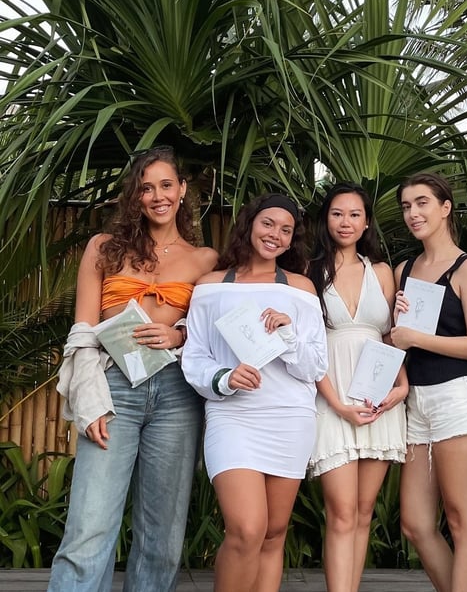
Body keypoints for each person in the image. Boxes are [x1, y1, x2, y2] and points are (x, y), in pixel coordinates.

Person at [49, 146, 219, 592]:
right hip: (113, 386)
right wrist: (90, 402)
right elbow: (83, 332)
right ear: (135, 196)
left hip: (176, 392)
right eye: (147, 188)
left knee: (163, 535)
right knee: (89, 526)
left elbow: (211, 333)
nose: (158, 196)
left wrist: (178, 335)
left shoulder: (205, 259)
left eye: (166, 185)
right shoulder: (103, 248)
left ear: (182, 190)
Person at [181, 193, 328, 592]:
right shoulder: (210, 286)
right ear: (249, 224)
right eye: (268, 224)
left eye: (286, 230)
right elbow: (194, 355)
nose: (275, 234)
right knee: (247, 528)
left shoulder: (300, 289)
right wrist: (224, 377)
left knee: (273, 532)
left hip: (290, 417)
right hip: (233, 417)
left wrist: (288, 335)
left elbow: (316, 366)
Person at [390, 172, 467, 592]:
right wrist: (396, 330)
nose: (413, 213)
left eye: (422, 203)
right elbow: (394, 341)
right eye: (406, 206)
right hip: (416, 400)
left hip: (460, 396)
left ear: (445, 207)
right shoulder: (403, 270)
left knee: (463, 519)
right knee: (415, 523)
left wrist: (415, 337)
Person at [306, 182, 407, 592]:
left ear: (366, 223)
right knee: (341, 512)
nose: (345, 222)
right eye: (337, 213)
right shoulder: (308, 270)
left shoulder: (381, 272)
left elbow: (391, 336)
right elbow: (307, 346)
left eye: (354, 214)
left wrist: (402, 385)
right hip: (331, 396)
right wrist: (336, 403)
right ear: (326, 219)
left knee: (364, 511)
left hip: (378, 396)